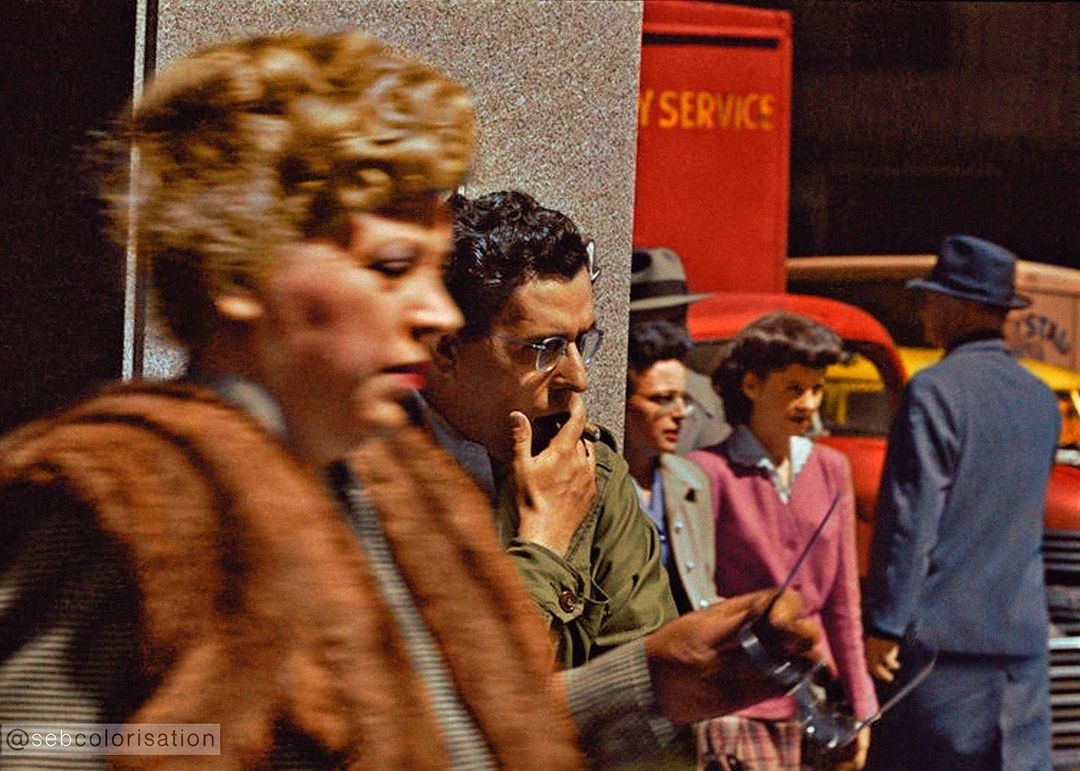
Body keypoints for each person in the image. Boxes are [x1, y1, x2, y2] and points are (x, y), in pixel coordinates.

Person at [0, 31, 820, 769]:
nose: (434, 312)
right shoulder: (128, 502)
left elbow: (447, 738)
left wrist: (653, 682)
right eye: (392, 267)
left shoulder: (401, 492)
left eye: (432, 269)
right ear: (242, 272)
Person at [420, 189, 678, 669]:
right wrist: (543, 543)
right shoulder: (374, 475)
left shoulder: (591, 474)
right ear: (445, 351)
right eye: (543, 348)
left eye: (583, 341)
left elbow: (640, 687)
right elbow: (457, 701)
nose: (577, 378)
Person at [863, 235, 1059, 771]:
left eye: (931, 298)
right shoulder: (1042, 400)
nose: (923, 310)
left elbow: (911, 520)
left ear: (957, 307)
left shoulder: (934, 391)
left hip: (941, 653)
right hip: (1019, 648)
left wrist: (884, 625)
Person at [689, 312, 878, 770]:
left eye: (817, 388)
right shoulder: (707, 472)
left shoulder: (832, 469)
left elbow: (842, 601)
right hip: (739, 702)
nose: (809, 403)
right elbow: (699, 597)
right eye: (793, 388)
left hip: (815, 699)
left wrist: (862, 703)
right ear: (751, 386)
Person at [624, 319, 718, 614]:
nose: (679, 413)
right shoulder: (597, 481)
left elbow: (703, 585)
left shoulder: (691, 481)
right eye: (663, 399)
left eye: (683, 398)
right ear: (623, 402)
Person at [629, 246, 729, 453]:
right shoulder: (601, 393)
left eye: (676, 319)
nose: (666, 333)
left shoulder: (707, 397)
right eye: (651, 323)